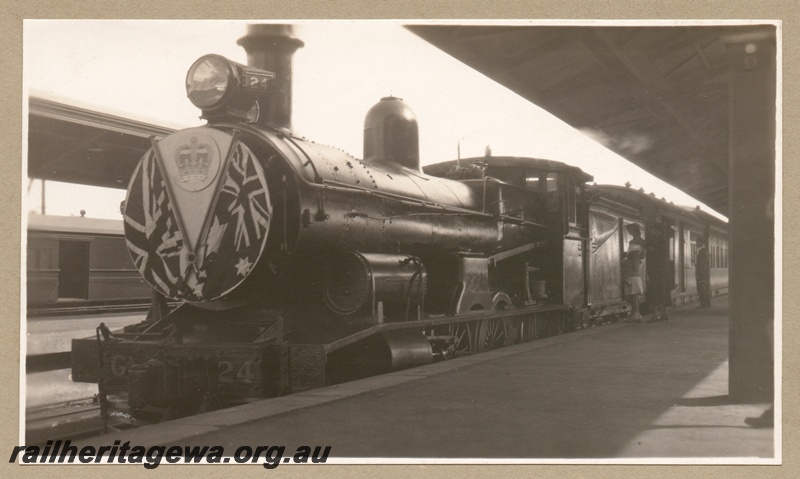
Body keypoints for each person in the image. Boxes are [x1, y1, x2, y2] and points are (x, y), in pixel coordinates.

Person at [646, 224, 671, 322]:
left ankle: (655, 315)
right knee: (663, 291)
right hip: (663, 270)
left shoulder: (659, 239)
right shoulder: (664, 239)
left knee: (655, 291)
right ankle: (665, 314)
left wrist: (652, 249)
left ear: (657, 230)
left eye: (653, 230)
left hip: (657, 270)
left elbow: (659, 252)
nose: (652, 232)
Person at [623, 223, 646, 322]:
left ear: (636, 230)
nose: (629, 231)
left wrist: (628, 260)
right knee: (633, 294)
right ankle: (636, 313)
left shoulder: (639, 242)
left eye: (631, 229)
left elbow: (639, 256)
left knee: (633, 294)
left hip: (632, 271)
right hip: (633, 270)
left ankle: (635, 314)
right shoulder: (634, 242)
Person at [695, 236, 711, 308]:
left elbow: (702, 264)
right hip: (704, 273)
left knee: (701, 288)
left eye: (697, 241)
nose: (696, 243)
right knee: (704, 287)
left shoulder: (702, 252)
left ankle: (703, 304)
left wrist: (699, 273)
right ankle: (707, 303)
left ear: (701, 242)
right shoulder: (704, 251)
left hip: (702, 273)